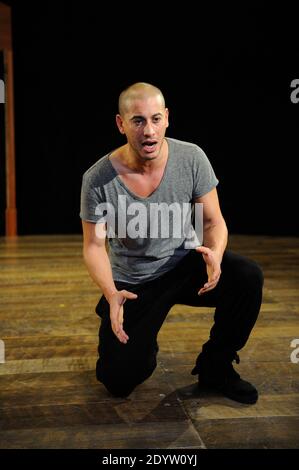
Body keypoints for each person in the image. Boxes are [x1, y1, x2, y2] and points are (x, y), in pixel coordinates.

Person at [80, 82, 263, 404]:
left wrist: (216, 255)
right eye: (137, 120)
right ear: (121, 124)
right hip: (136, 281)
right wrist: (110, 293)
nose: (148, 130)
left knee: (247, 276)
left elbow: (212, 221)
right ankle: (142, 342)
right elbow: (94, 247)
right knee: (118, 381)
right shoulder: (98, 179)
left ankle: (216, 365)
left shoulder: (191, 158)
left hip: (184, 265)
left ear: (167, 118)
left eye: (155, 119)